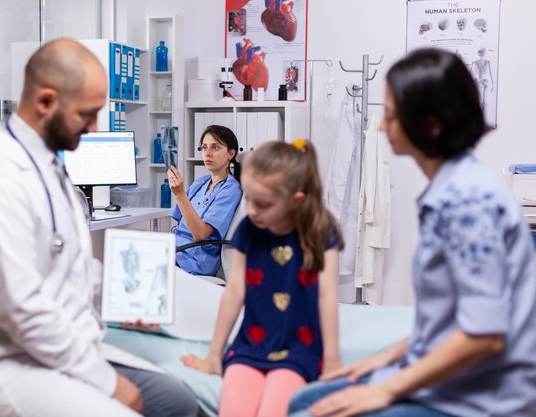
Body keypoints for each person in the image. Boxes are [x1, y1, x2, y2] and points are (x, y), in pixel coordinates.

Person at [0, 38, 198, 417]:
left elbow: (67, 264)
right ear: (45, 102)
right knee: (138, 403)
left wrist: (130, 296)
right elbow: (23, 312)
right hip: (4, 365)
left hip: (55, 344)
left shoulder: (46, 167)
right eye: (86, 114)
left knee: (178, 400)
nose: (94, 128)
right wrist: (108, 383)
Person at [288, 48, 536, 417]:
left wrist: (385, 390)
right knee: (305, 400)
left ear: (432, 125)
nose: (382, 125)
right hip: (448, 379)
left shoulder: (468, 201)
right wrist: (382, 359)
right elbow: (446, 320)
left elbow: (483, 336)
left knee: (316, 410)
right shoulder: (447, 189)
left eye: (390, 114)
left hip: (481, 396)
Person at [181, 140, 343, 417]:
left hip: (297, 347)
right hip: (251, 344)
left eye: (263, 204)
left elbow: (327, 296)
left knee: (272, 409)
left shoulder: (320, 230)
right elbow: (234, 292)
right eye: (249, 200)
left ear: (296, 201)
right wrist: (213, 356)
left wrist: (331, 359)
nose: (252, 210)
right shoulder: (249, 228)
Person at [168, 125, 243, 276]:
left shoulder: (230, 190)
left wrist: (179, 194)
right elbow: (180, 221)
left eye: (215, 148)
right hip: (175, 250)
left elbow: (200, 235)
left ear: (230, 153)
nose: (207, 153)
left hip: (194, 259)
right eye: (204, 147)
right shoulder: (201, 182)